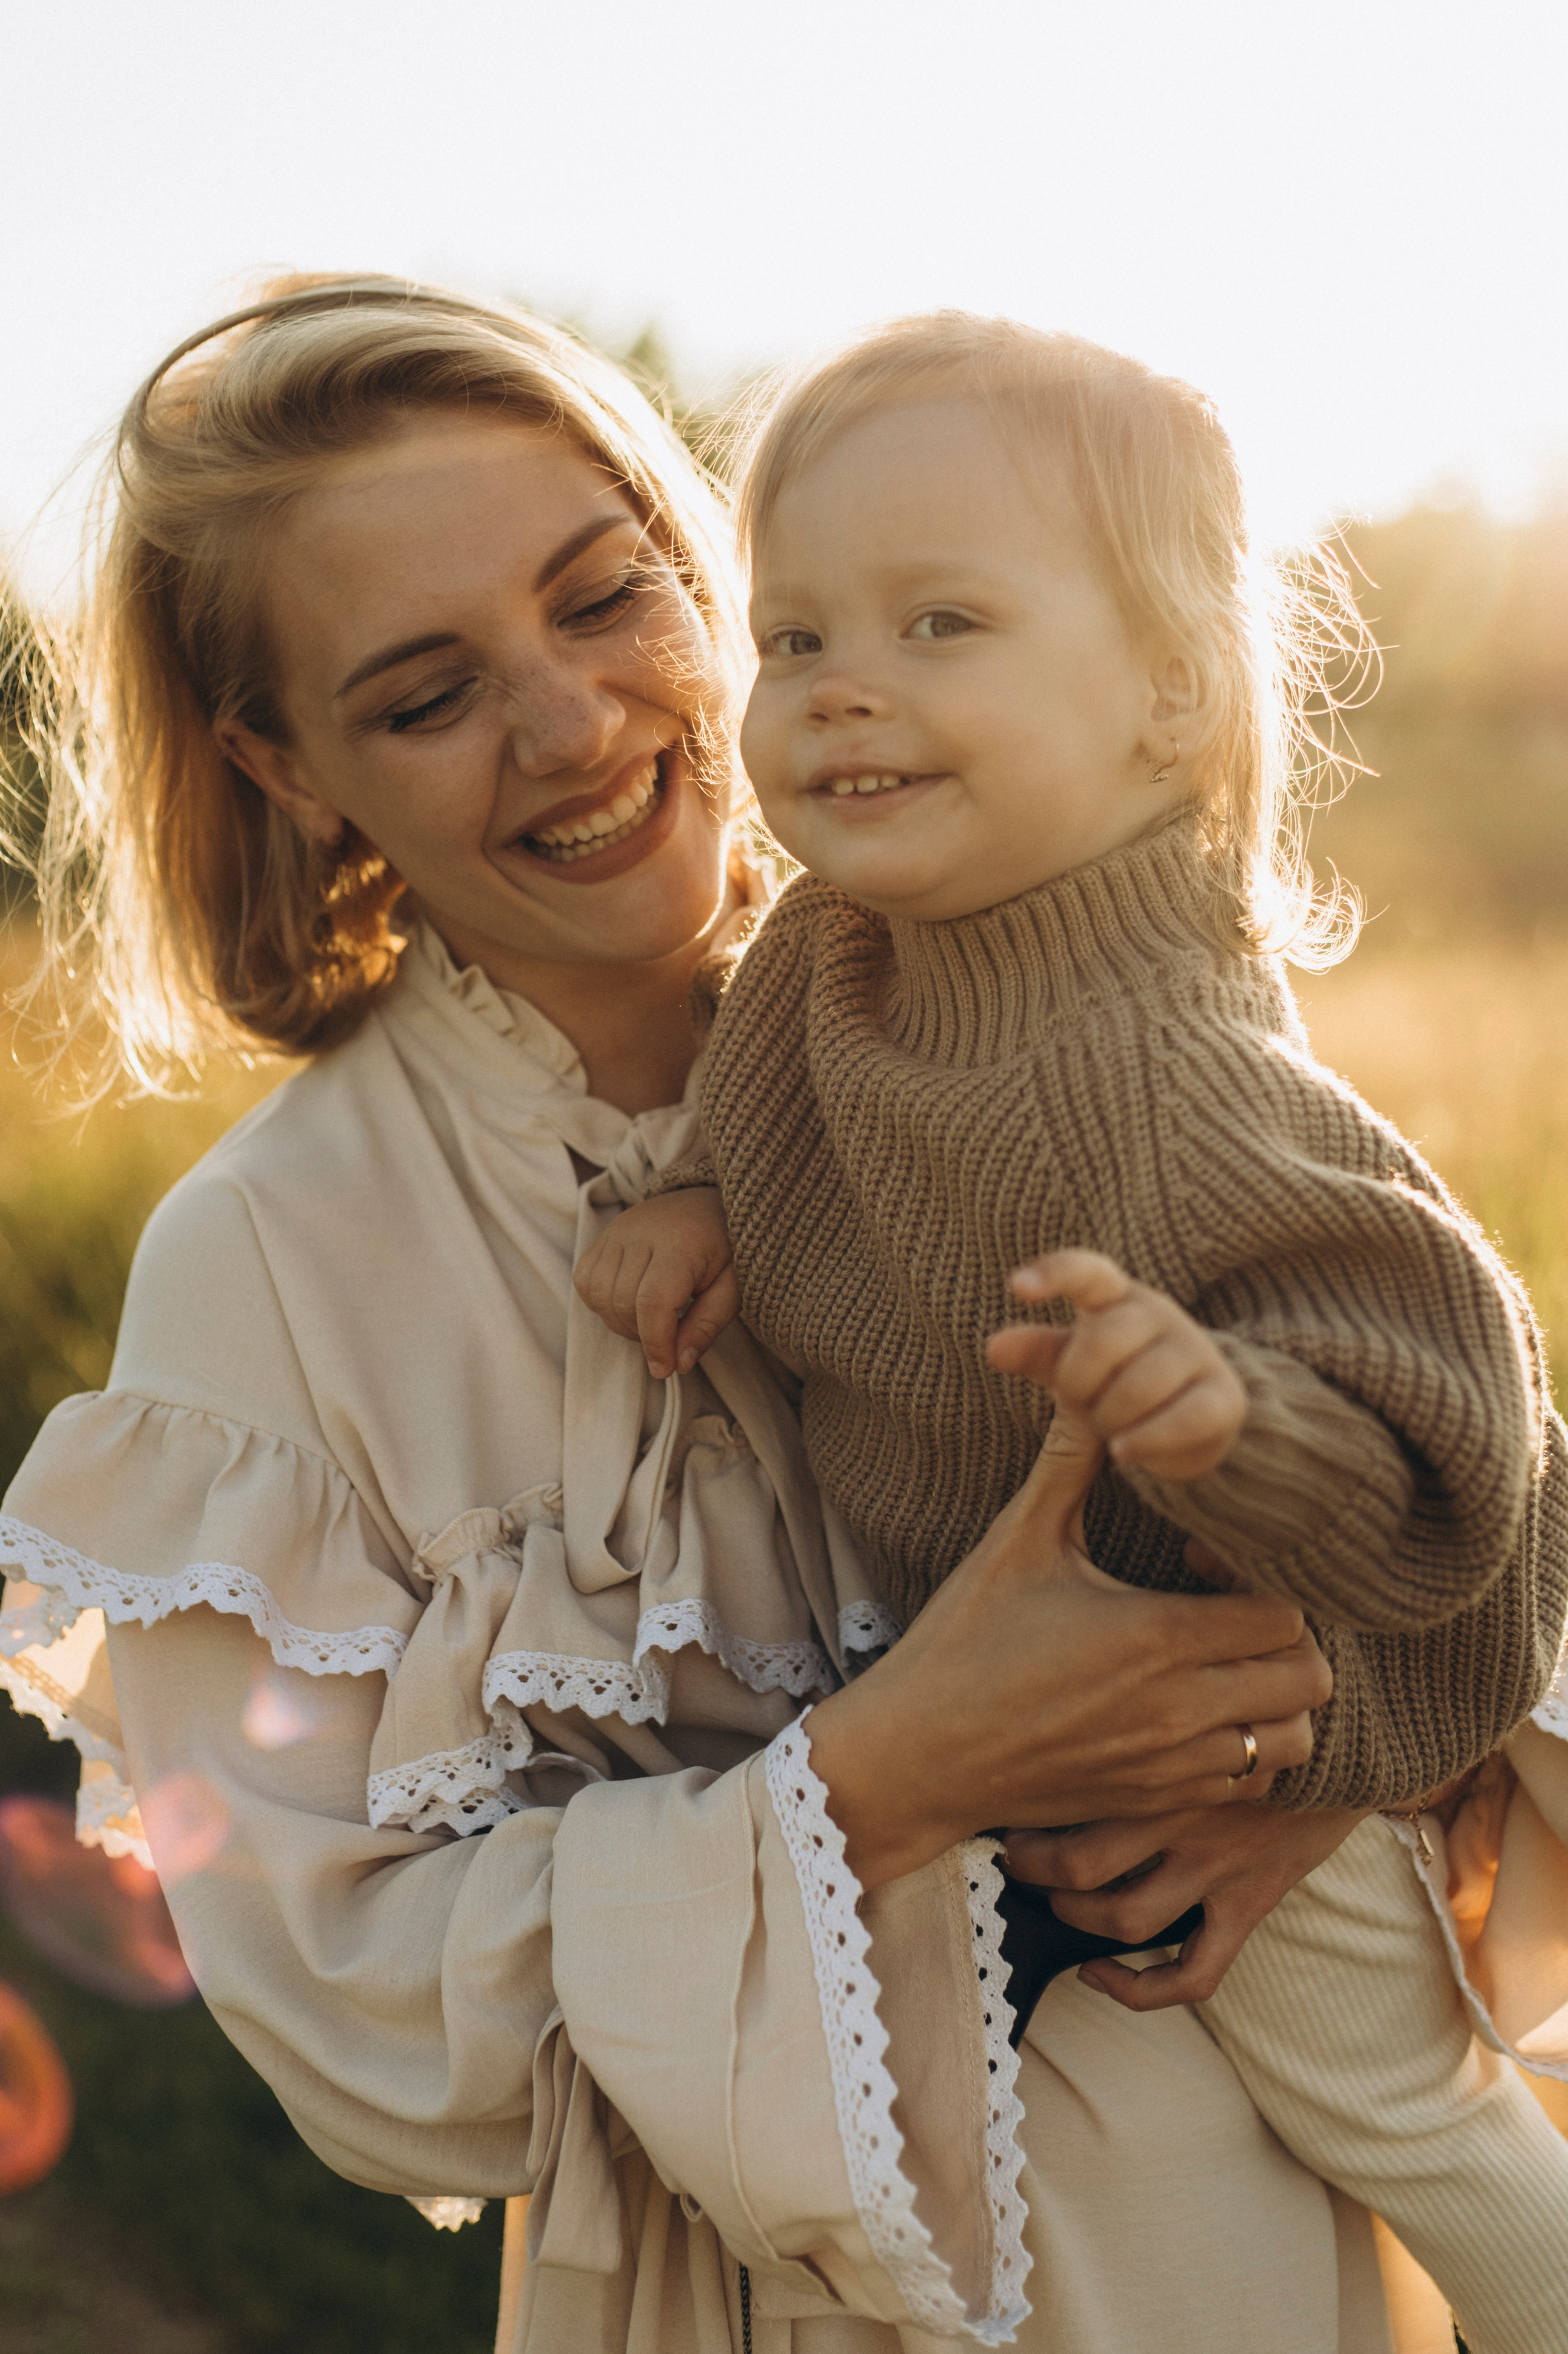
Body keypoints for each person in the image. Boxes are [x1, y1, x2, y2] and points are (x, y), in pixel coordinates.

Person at [0, 277, 1392, 2354]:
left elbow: (1442, 1466)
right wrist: (885, 1783)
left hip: (1251, 2235)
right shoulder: (275, 1263)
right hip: (781, 2304)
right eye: (422, 695)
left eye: (601, 597)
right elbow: (363, 2030)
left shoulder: (1055, 1008)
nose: (572, 727)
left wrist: (1323, 1764)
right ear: (284, 768)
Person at [576, 312, 1568, 2352]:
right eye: (794, 637)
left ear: (1169, 697)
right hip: (1011, 1709)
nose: (843, 687)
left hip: (1230, 1702)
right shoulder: (824, 960)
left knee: (1404, 2121)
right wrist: (701, 1205)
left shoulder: (1171, 1066)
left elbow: (1455, 1432)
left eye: (944, 622)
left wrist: (1227, 1412)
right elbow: (799, 1145)